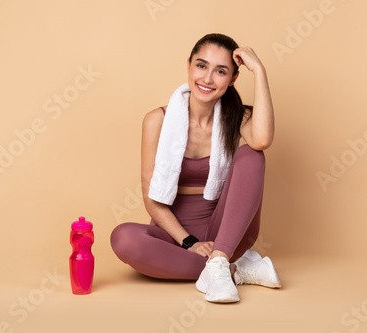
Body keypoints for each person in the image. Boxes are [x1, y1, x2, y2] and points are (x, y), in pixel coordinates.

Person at [110, 33, 281, 303]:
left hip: (227, 230)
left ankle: (221, 259)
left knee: (252, 154)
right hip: (173, 234)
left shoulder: (238, 117)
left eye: (221, 71)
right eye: (201, 66)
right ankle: (233, 270)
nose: (207, 79)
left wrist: (259, 70)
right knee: (123, 238)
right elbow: (151, 198)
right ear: (189, 65)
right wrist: (188, 242)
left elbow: (262, 140)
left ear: (233, 78)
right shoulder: (157, 121)